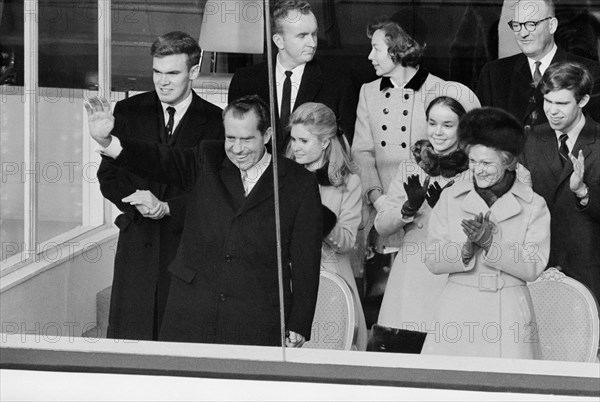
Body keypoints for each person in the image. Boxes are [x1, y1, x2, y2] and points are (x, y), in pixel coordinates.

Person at [86, 95, 323, 347]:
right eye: (230, 138)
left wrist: (299, 322)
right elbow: (158, 159)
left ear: (266, 135)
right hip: (191, 310)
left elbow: (305, 258)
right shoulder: (206, 157)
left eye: (247, 139)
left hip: (257, 316)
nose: (237, 149)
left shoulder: (299, 182)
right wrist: (109, 142)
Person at [351, 17, 481, 325]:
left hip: (429, 220)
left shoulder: (442, 90)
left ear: (397, 50)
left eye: (376, 48)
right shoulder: (369, 91)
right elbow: (361, 151)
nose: (370, 57)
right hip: (385, 205)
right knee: (383, 301)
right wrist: (378, 197)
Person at [96, 31, 224, 341]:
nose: (162, 81)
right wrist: (136, 201)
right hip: (137, 247)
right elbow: (109, 176)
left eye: (172, 73)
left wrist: (167, 208)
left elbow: (215, 193)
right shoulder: (128, 111)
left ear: (194, 71)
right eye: (156, 72)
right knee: (129, 348)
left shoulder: (218, 122)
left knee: (181, 348)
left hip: (187, 254)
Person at [422, 107, 551, 359]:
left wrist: (492, 244)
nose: (478, 170)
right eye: (472, 162)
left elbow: (534, 266)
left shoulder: (534, 204)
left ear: (509, 161)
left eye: (486, 163)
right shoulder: (451, 197)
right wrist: (465, 250)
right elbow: (432, 258)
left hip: (509, 312)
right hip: (456, 310)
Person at [369, 96, 471, 353]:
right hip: (410, 277)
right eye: (432, 123)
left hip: (452, 276)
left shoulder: (474, 170)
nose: (438, 131)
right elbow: (382, 225)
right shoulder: (411, 166)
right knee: (402, 361)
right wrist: (408, 208)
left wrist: (441, 210)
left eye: (447, 125)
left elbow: (477, 230)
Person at [285, 102, 368, 350]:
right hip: (288, 279)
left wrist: (316, 214)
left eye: (303, 141)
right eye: (293, 140)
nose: (295, 148)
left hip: (331, 282)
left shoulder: (348, 182)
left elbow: (346, 243)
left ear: (324, 142)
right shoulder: (282, 177)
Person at [227, 0, 358, 150]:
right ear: (279, 41)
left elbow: (344, 145)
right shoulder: (244, 80)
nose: (313, 43)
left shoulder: (339, 82)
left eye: (314, 34)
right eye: (302, 36)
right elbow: (235, 138)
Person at [522, 61, 600, 302]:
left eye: (562, 103)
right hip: (538, 268)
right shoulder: (532, 138)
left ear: (583, 101)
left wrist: (583, 192)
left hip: (588, 271)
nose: (552, 111)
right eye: (548, 101)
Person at [476, 0, 600, 129]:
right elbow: (482, 132)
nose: (523, 33)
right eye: (517, 25)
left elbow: (592, 135)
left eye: (531, 24)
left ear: (552, 25)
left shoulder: (590, 73)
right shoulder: (494, 73)